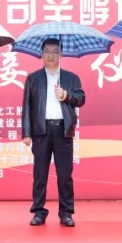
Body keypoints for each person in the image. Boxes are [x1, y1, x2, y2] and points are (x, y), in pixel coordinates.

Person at [21, 37, 86, 227]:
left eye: (55, 52)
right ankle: (38, 211)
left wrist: (65, 95)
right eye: (47, 51)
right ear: (41, 54)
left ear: (61, 55)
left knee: (65, 175)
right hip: (41, 131)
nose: (51, 55)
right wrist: (26, 132)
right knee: (40, 174)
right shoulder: (33, 78)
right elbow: (27, 106)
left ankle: (66, 212)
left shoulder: (71, 77)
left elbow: (81, 98)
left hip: (63, 130)